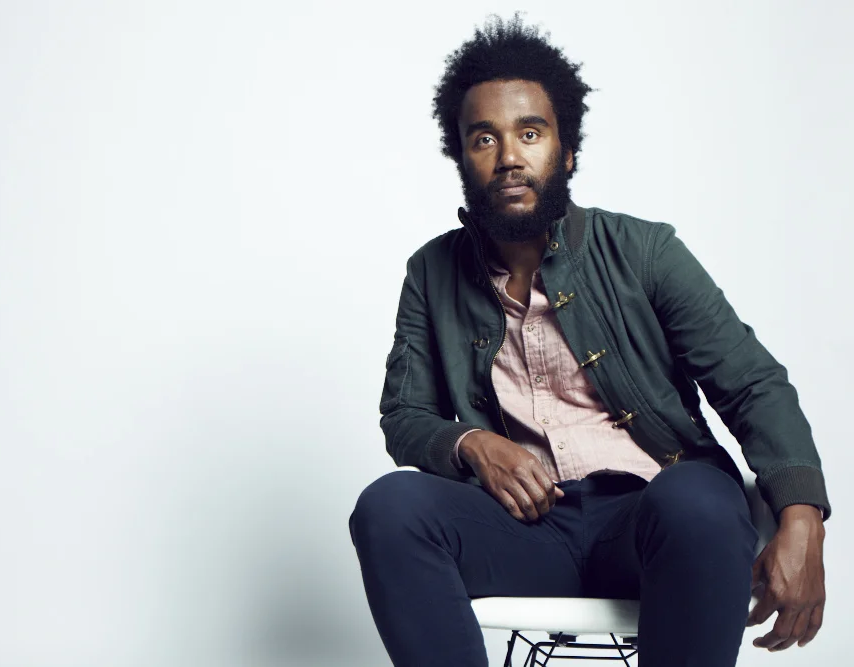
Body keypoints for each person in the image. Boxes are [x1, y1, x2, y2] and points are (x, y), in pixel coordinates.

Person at [348, 14, 830, 667]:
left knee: (694, 494)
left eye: (530, 132)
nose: (509, 155)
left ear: (566, 150)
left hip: (649, 525)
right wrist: (470, 443)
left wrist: (801, 517)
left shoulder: (642, 251)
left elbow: (750, 383)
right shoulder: (431, 271)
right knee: (390, 505)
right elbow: (403, 415)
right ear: (460, 156)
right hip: (523, 532)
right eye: (483, 137)